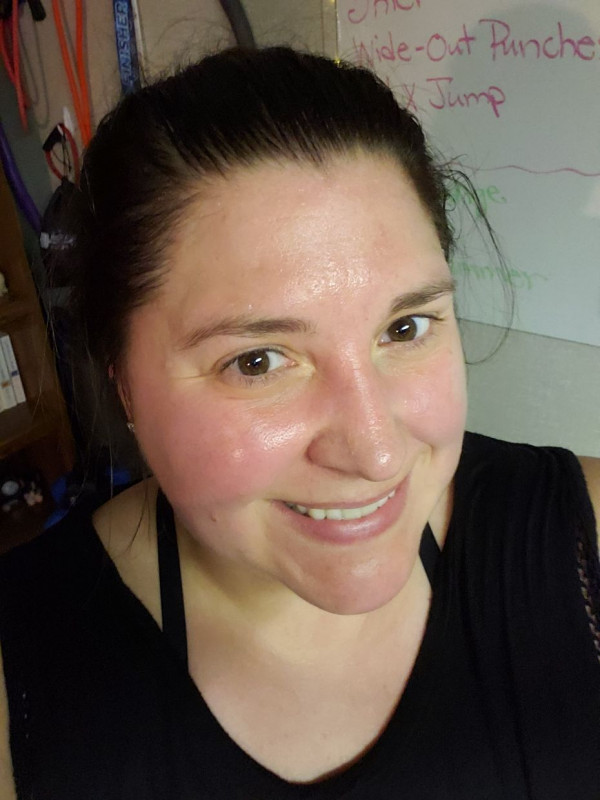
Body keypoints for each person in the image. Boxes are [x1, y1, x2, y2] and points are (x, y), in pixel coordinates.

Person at [1, 46, 599, 799]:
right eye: (257, 362)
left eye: (405, 328)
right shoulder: (21, 675)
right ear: (122, 383)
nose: (377, 452)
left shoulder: (583, 536)